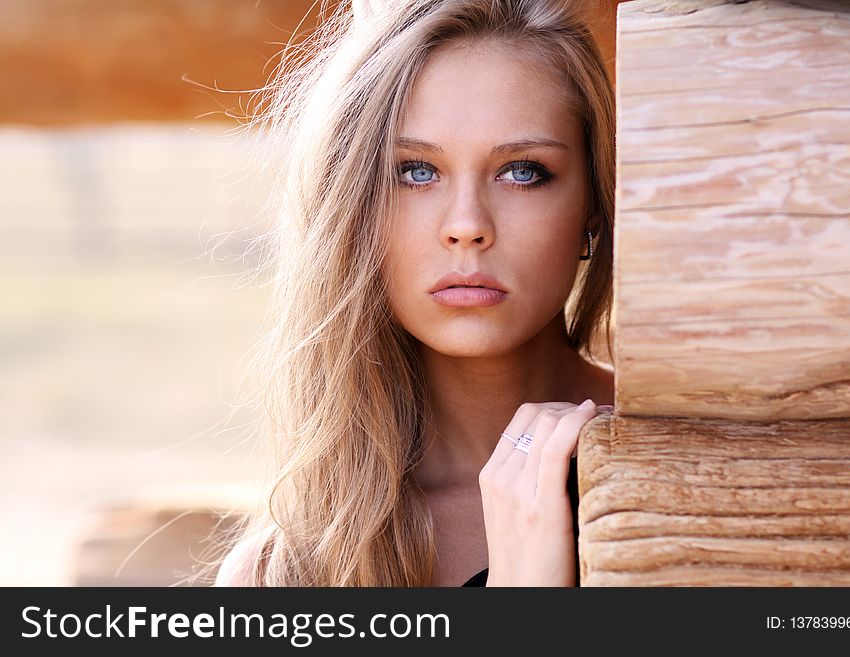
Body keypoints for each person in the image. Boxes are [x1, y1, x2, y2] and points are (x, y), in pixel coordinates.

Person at [214, 0, 615, 587]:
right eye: (416, 172)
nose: (467, 224)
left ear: (592, 208)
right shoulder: (286, 574)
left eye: (523, 171)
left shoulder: (703, 465)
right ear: (350, 208)